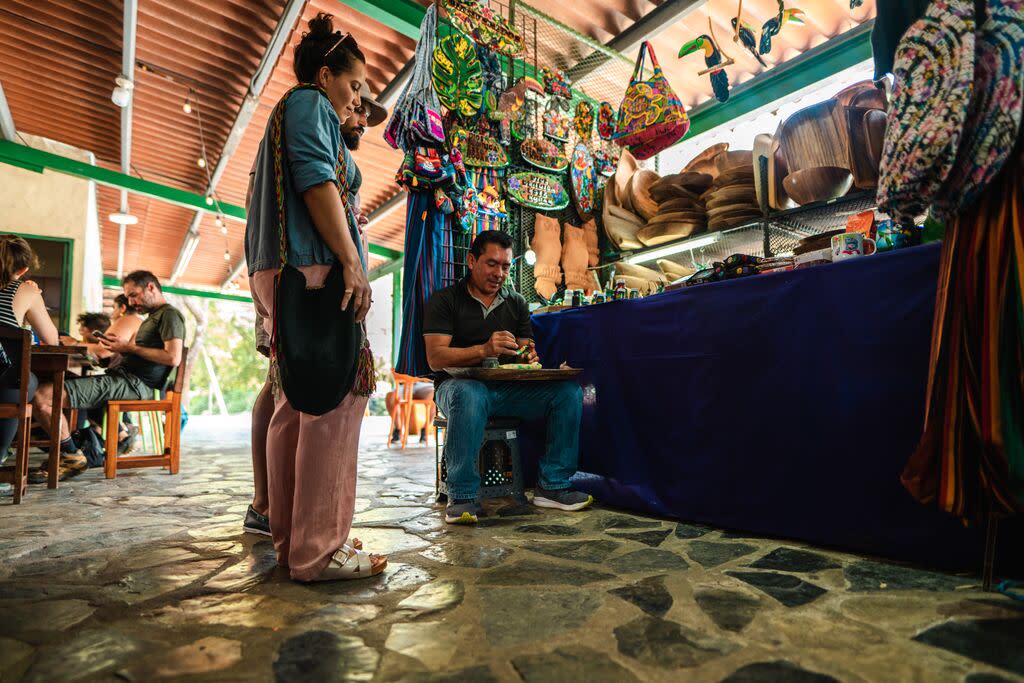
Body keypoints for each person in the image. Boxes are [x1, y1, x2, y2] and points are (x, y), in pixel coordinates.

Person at [244, 13, 385, 581]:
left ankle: (292, 544)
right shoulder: (307, 105)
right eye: (354, 86)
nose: (357, 100)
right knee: (333, 403)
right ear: (326, 75)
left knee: (295, 407)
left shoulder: (295, 111)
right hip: (315, 274)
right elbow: (315, 180)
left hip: (292, 275)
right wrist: (351, 263)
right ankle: (321, 549)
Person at [423, 230, 592, 524]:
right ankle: (462, 495)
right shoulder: (445, 300)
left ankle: (552, 486)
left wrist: (529, 358)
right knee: (469, 392)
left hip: (506, 390)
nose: (499, 273)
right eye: (491, 264)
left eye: (505, 266)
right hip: (455, 390)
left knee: (567, 393)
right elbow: (435, 357)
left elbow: (525, 350)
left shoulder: (516, 303)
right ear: (471, 260)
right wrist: (483, 349)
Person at [30, 270, 185, 482]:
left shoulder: (169, 314)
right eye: (128, 297)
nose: (131, 301)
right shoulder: (152, 318)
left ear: (151, 287)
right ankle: (72, 450)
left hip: (133, 385)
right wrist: (120, 349)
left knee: (43, 395)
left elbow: (173, 357)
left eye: (134, 294)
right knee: (53, 384)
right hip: (123, 379)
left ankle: (71, 456)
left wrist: (129, 348)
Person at [0, 236, 58, 462]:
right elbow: (51, 339)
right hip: (3, 384)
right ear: (23, 269)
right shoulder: (25, 291)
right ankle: (1, 452)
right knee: (23, 380)